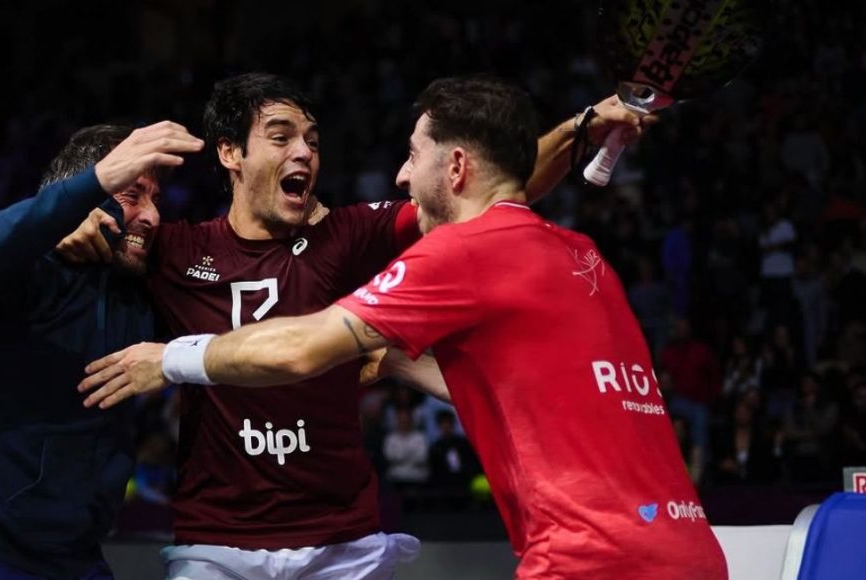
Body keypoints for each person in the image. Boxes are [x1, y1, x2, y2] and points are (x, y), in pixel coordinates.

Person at [79, 75, 727, 578]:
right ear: (229, 154)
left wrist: (165, 360)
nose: (306, 151)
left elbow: (485, 195)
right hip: (216, 544)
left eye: (313, 140)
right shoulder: (584, 254)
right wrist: (69, 224)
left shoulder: (376, 237)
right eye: (281, 137)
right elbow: (490, 194)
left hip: (353, 543)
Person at [0, 122, 203, 579]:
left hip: (78, 555)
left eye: (156, 199)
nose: (151, 215)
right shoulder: (24, 269)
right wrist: (67, 214)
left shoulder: (139, 287)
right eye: (132, 194)